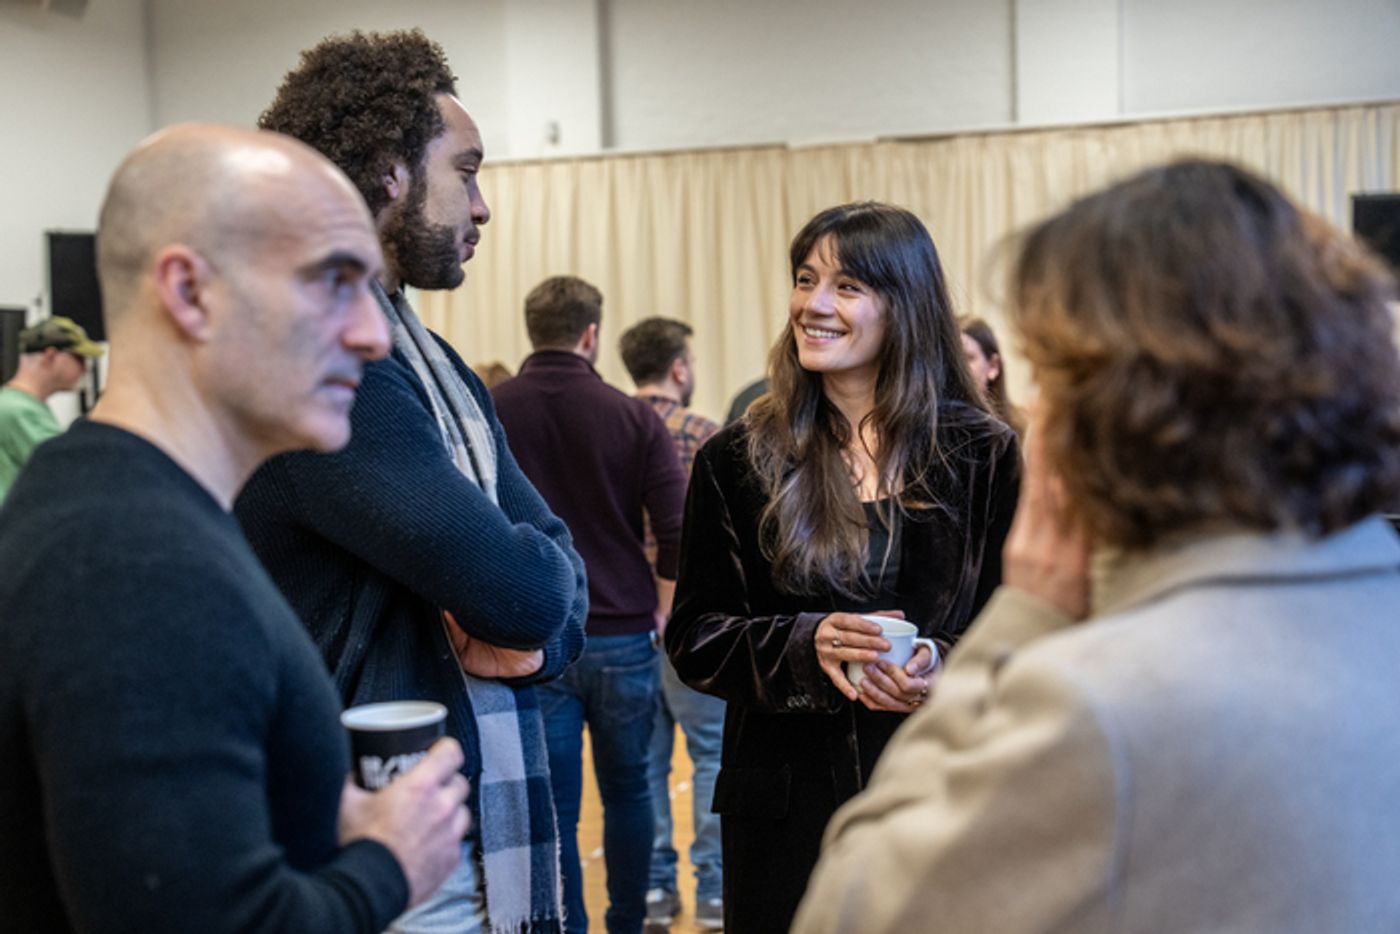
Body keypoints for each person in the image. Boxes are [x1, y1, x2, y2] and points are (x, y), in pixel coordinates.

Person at [793, 160, 1400, 933]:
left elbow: (855, 909)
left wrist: (1023, 618)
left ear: (1113, 405)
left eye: (1051, 373)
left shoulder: (1100, 705)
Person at [0, 124, 471, 933]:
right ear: (188, 293)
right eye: (333, 281)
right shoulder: (132, 563)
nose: (371, 334)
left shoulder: (112, 506)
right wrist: (389, 865)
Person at [234, 31, 586, 934]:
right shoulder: (331, 363)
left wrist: (542, 633)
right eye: (465, 172)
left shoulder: (440, 367)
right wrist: (535, 599)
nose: (482, 205)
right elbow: (519, 584)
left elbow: (551, 582)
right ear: (391, 173)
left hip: (445, 812)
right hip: (368, 835)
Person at [666, 201, 1021, 934]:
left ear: (907, 304)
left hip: (941, 795)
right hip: (785, 813)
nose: (813, 305)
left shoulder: (982, 454)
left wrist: (937, 664)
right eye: (804, 279)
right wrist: (807, 643)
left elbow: (1020, 628)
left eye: (847, 286)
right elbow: (696, 637)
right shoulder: (736, 458)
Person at [492, 277, 687, 934]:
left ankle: (569, 924)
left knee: (557, 806)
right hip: (625, 634)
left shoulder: (493, 410)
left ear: (532, 329)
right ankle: (627, 923)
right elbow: (677, 526)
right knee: (631, 790)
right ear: (592, 335)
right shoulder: (633, 417)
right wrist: (660, 608)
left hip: (535, 635)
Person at [617, 316, 725, 930]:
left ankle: (656, 890)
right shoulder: (706, 434)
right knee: (711, 755)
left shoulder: (606, 429)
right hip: (692, 621)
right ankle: (714, 892)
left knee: (644, 764)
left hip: (625, 622)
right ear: (680, 368)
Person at [0, 316, 103, 502]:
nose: (85, 370)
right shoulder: (21, 413)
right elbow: (69, 474)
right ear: (50, 356)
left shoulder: (14, 404)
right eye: (79, 358)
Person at [960, 315, 1026, 437]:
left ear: (993, 366)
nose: (959, 368)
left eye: (968, 358)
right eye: (953, 360)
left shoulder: (1023, 427)